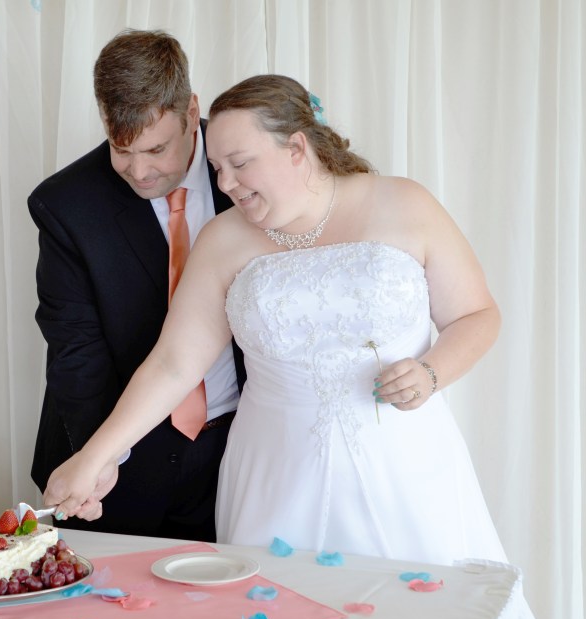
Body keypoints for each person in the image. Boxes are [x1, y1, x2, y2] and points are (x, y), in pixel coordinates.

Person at [42, 73, 512, 566]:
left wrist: (432, 372)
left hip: (406, 466)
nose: (225, 184)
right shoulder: (222, 240)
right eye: (217, 168)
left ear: (296, 148)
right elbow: (174, 365)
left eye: (240, 164)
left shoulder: (405, 202)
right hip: (274, 475)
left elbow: (477, 315)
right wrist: (93, 458)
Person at [29, 29, 245, 542]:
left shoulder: (251, 173)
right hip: (115, 465)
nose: (140, 171)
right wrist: (100, 458)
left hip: (241, 448)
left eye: (156, 148)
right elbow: (75, 351)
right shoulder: (65, 204)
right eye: (120, 149)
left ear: (192, 113)